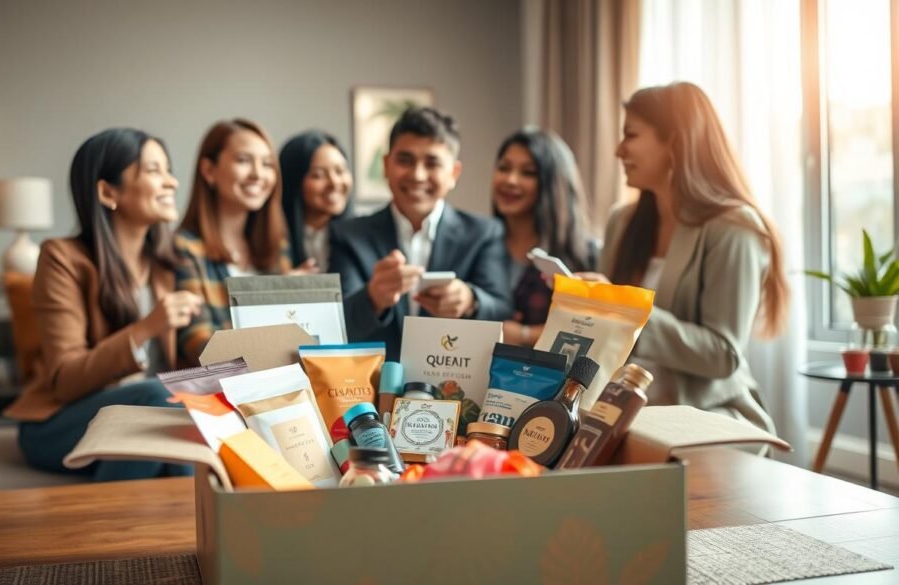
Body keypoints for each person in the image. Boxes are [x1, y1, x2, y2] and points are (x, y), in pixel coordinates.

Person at [588, 82, 789, 433]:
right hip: (626, 416)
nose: (619, 150)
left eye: (631, 135)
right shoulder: (623, 221)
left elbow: (723, 355)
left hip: (709, 418)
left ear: (675, 142)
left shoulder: (734, 228)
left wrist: (625, 310)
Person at [6, 128, 202, 481]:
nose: (172, 182)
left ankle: (190, 523)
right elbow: (65, 379)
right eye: (154, 170)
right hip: (62, 421)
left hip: (147, 414)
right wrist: (146, 328)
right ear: (108, 192)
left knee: (179, 411)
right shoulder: (62, 258)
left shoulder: (169, 265)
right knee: (158, 400)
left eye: (168, 169)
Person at [329, 107, 512, 360]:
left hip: (456, 386)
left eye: (432, 163)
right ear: (386, 165)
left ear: (453, 174)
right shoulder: (348, 235)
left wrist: (470, 300)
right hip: (371, 387)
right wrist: (373, 297)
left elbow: (501, 308)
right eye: (405, 160)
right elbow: (335, 324)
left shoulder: (484, 233)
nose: (417, 175)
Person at [175, 119, 293, 362]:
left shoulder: (277, 247)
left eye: (267, 164)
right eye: (243, 161)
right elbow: (201, 349)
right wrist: (276, 303)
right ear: (209, 171)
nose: (258, 174)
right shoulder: (184, 248)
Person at [492, 129, 596, 347]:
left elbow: (593, 330)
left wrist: (525, 335)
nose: (510, 180)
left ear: (552, 184)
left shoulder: (586, 255)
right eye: (504, 168)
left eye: (528, 173)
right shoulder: (479, 243)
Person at [280, 130, 354, 271]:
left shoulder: (362, 235)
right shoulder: (272, 240)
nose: (334, 183)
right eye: (318, 175)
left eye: (340, 171)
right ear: (293, 181)